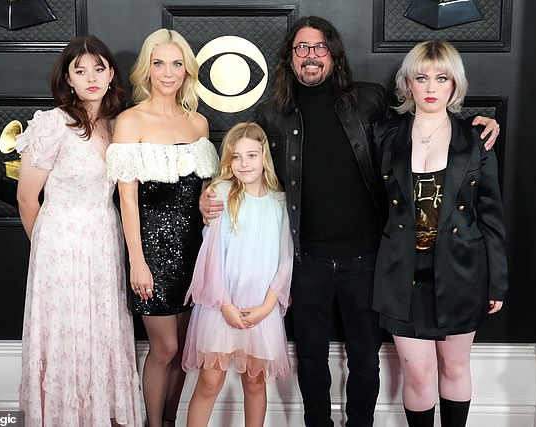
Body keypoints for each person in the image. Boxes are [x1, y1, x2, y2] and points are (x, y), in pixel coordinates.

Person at [200, 16, 501, 427]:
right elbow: (248, 167)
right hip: (308, 259)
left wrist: (478, 124)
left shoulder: (370, 101)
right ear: (290, 58)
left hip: (368, 258)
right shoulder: (274, 116)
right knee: (310, 356)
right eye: (301, 48)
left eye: (320, 47)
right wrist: (209, 192)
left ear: (334, 54)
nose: (311, 55)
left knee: (365, 358)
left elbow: (425, 125)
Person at [372, 39, 508, 427]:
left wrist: (497, 283)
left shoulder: (477, 138)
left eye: (441, 78)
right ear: (408, 84)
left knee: (454, 367)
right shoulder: (385, 135)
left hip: (463, 271)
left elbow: (491, 214)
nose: (431, 87)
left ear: (454, 85)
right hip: (400, 272)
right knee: (416, 372)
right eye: (422, 77)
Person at [16, 36, 141, 426]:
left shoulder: (119, 125)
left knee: (101, 328)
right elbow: (26, 198)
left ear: (111, 75)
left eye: (99, 68)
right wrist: (46, 253)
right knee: (64, 331)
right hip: (59, 243)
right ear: (68, 78)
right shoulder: (54, 124)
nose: (91, 77)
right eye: (80, 70)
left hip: (103, 240)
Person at [105, 29, 219, 427]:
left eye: (175, 63)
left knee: (185, 349)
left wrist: (209, 201)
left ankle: (170, 421)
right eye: (159, 63)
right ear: (147, 70)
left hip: (194, 249)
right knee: (165, 348)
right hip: (151, 250)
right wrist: (137, 260)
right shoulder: (130, 121)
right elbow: (127, 200)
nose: (168, 72)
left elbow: (204, 192)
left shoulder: (199, 124)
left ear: (187, 69)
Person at [182, 122, 294, 427]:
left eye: (252, 155)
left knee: (255, 384)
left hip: (261, 309)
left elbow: (285, 259)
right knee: (209, 382)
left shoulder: (280, 202)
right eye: (236, 157)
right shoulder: (220, 192)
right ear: (228, 161)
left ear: (264, 157)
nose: (244, 164)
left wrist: (268, 306)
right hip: (221, 306)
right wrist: (225, 304)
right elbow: (211, 257)